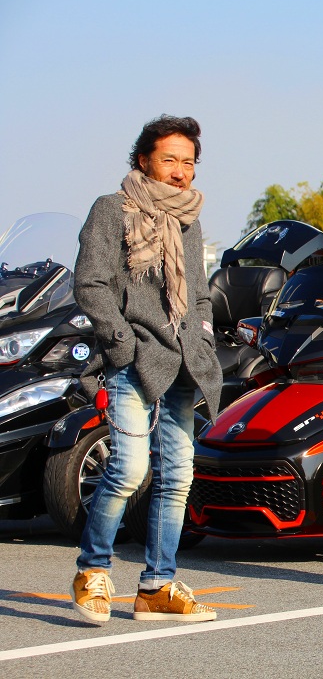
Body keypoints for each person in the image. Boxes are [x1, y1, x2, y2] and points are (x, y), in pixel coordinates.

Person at [71, 115, 223, 624]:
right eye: (169, 160)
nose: (180, 171)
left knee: (177, 477)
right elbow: (91, 284)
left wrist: (201, 337)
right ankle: (92, 571)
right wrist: (122, 344)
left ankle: (157, 586)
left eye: (188, 162)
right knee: (129, 469)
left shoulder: (188, 217)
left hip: (181, 362)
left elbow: (198, 293)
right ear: (143, 160)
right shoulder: (112, 209)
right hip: (133, 359)